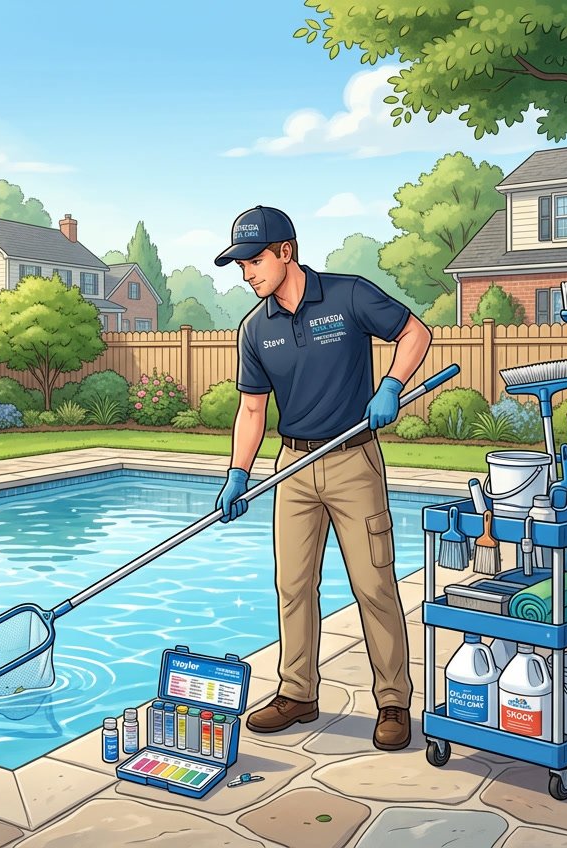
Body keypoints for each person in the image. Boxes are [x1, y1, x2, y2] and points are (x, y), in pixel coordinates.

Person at [213, 206, 431, 751]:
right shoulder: (254, 329)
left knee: (374, 583)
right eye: (240, 265)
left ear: (286, 251)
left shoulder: (348, 295)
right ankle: (298, 693)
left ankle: (393, 702)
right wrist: (239, 473)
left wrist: (391, 386)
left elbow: (415, 332)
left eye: (254, 260)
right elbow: (251, 412)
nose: (247, 273)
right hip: (292, 467)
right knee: (292, 586)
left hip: (353, 461)